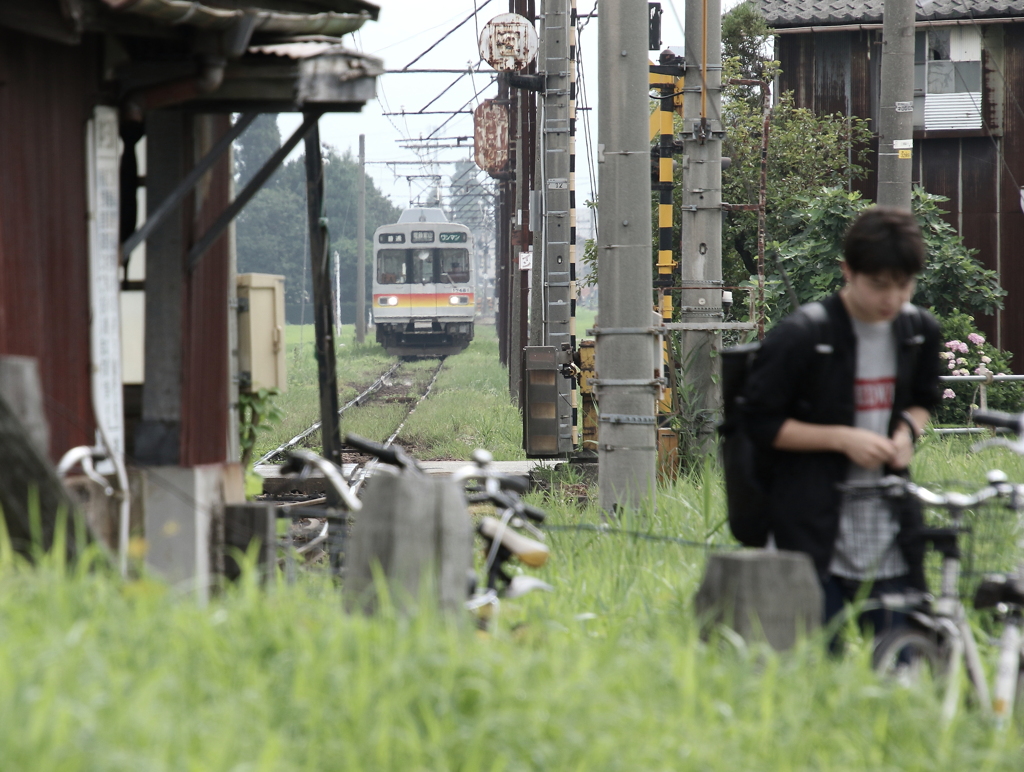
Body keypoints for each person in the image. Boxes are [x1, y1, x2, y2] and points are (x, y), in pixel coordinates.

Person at [742, 206, 943, 632]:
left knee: (901, 658)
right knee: (815, 663)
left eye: (904, 285)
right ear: (847, 271)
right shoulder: (803, 336)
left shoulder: (918, 331)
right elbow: (759, 424)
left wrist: (907, 431)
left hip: (888, 526)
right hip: (810, 526)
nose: (892, 299)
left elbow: (924, 400)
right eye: (879, 285)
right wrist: (842, 439)